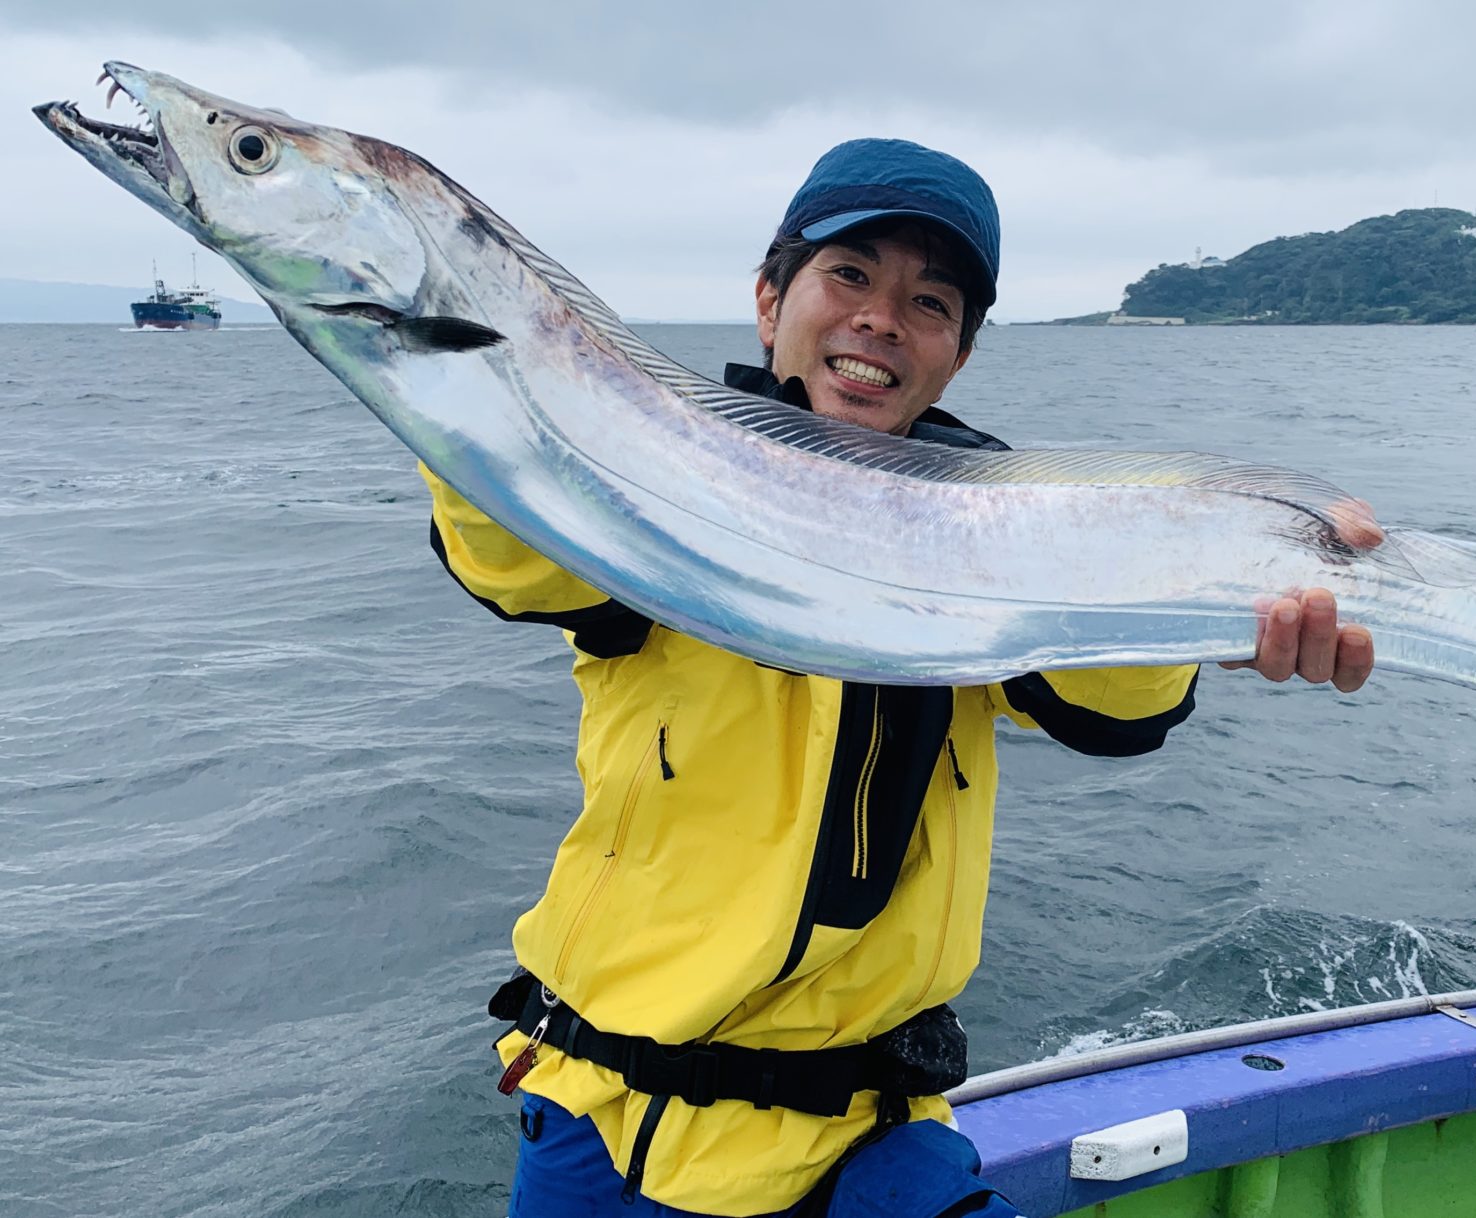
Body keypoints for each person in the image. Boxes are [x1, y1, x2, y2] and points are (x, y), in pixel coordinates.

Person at [421, 138, 1376, 1217]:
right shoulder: (655, 481)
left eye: (931, 301)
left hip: (870, 1133)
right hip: (611, 1119)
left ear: (957, 356)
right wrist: (454, 389)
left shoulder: (997, 530)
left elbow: (1105, 708)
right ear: (769, 301)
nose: (882, 316)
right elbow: (512, 557)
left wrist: (1218, 601)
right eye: (850, 274)